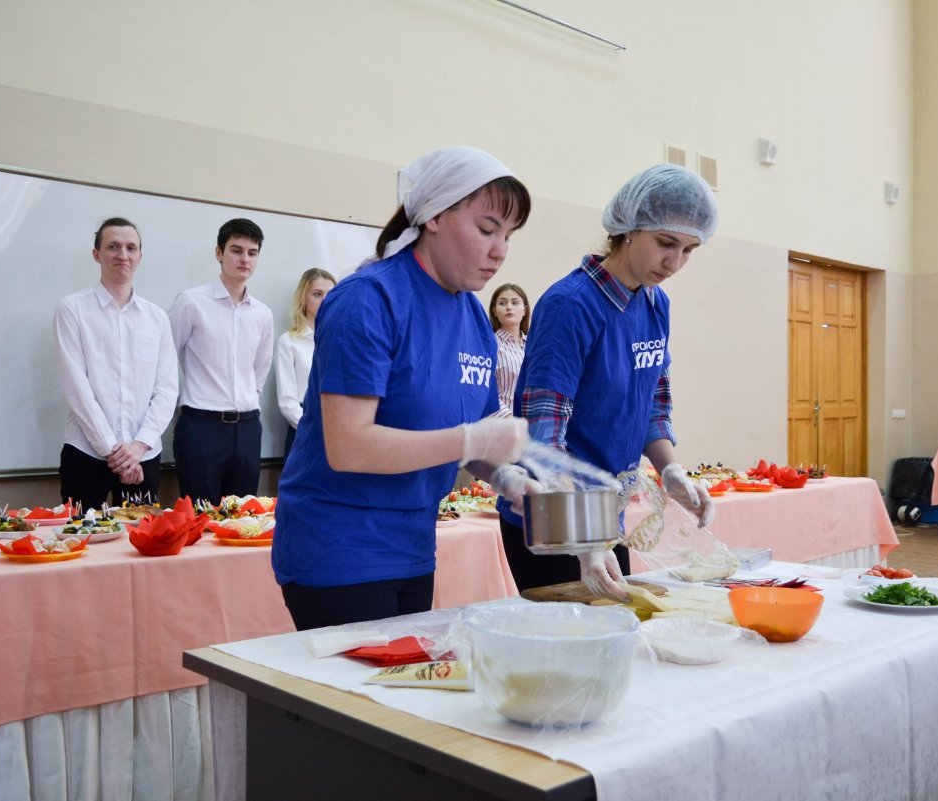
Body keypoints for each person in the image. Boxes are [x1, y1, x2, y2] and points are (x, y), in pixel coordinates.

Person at [272, 146, 536, 630]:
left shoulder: (472, 315)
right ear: (434, 216)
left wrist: (503, 477)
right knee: (360, 700)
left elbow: (471, 433)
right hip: (340, 548)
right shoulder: (368, 300)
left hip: (414, 544)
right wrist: (471, 441)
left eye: (508, 236)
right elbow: (349, 445)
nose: (499, 250)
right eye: (486, 229)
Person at [497, 164, 719, 601]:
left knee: (615, 637)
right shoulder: (571, 305)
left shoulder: (655, 303)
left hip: (605, 514)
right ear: (630, 229)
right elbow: (546, 434)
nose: (674, 262)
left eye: (690, 250)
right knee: (566, 654)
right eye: (666, 243)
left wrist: (670, 469)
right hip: (552, 515)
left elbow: (653, 401)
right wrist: (581, 540)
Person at [53, 217, 178, 512]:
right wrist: (114, 450)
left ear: (139, 257)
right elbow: (77, 390)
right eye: (113, 246)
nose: (123, 255)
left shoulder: (157, 318)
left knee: (141, 546)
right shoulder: (72, 310)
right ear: (97, 254)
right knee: (82, 546)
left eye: (131, 248)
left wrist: (138, 448)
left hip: (143, 455)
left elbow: (167, 390)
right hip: (86, 453)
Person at [169, 218, 274, 504]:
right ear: (219, 253)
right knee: (200, 523)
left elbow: (260, 369)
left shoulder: (262, 314)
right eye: (236, 250)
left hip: (247, 428)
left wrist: (247, 402)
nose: (244, 259)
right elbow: (164, 362)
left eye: (252, 253)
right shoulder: (191, 302)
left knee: (241, 522)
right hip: (202, 426)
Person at [276, 268, 337, 457]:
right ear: (304, 298)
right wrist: (314, 428)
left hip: (340, 428)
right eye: (317, 294)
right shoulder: (289, 341)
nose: (325, 300)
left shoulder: (343, 341)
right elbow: (287, 402)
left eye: (331, 294)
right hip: (304, 429)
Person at [488, 283, 531, 418]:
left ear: (524, 310)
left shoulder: (534, 344)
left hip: (533, 427)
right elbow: (486, 390)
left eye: (515, 302)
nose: (509, 307)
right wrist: (509, 419)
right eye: (502, 303)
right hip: (500, 425)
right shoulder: (489, 344)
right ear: (495, 311)